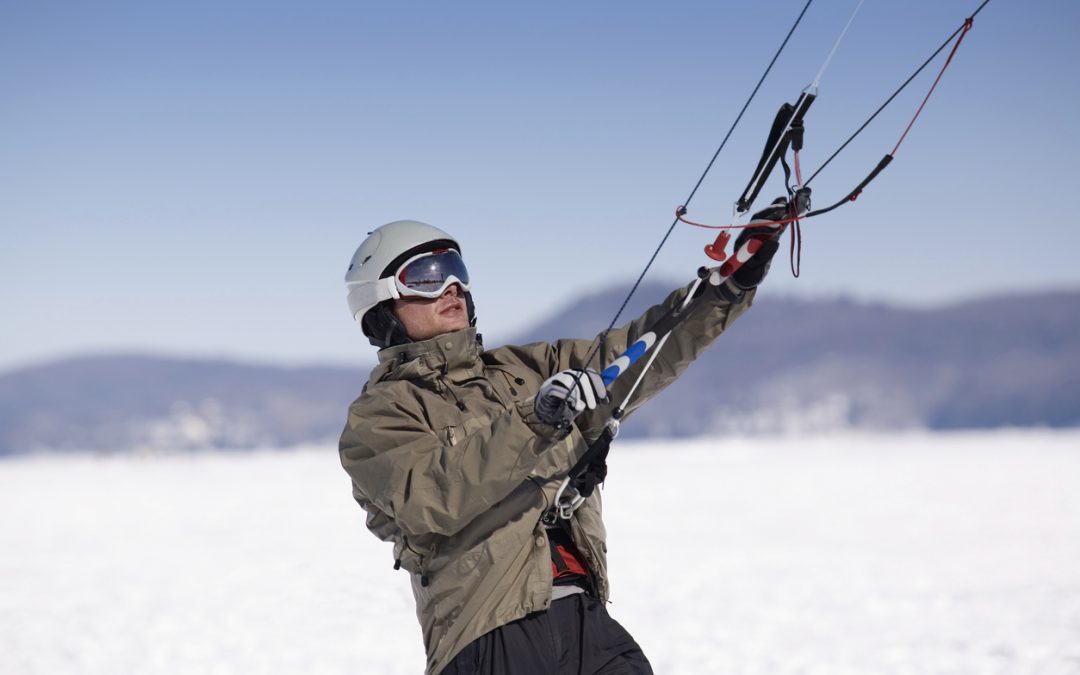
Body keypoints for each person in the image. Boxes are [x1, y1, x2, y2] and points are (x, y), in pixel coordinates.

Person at [339, 214, 780, 675]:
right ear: (382, 305)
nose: (450, 287)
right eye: (427, 276)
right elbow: (429, 497)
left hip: (586, 620)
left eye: (456, 270)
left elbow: (634, 353)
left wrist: (726, 288)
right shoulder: (379, 417)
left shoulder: (526, 369)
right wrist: (535, 420)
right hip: (487, 636)